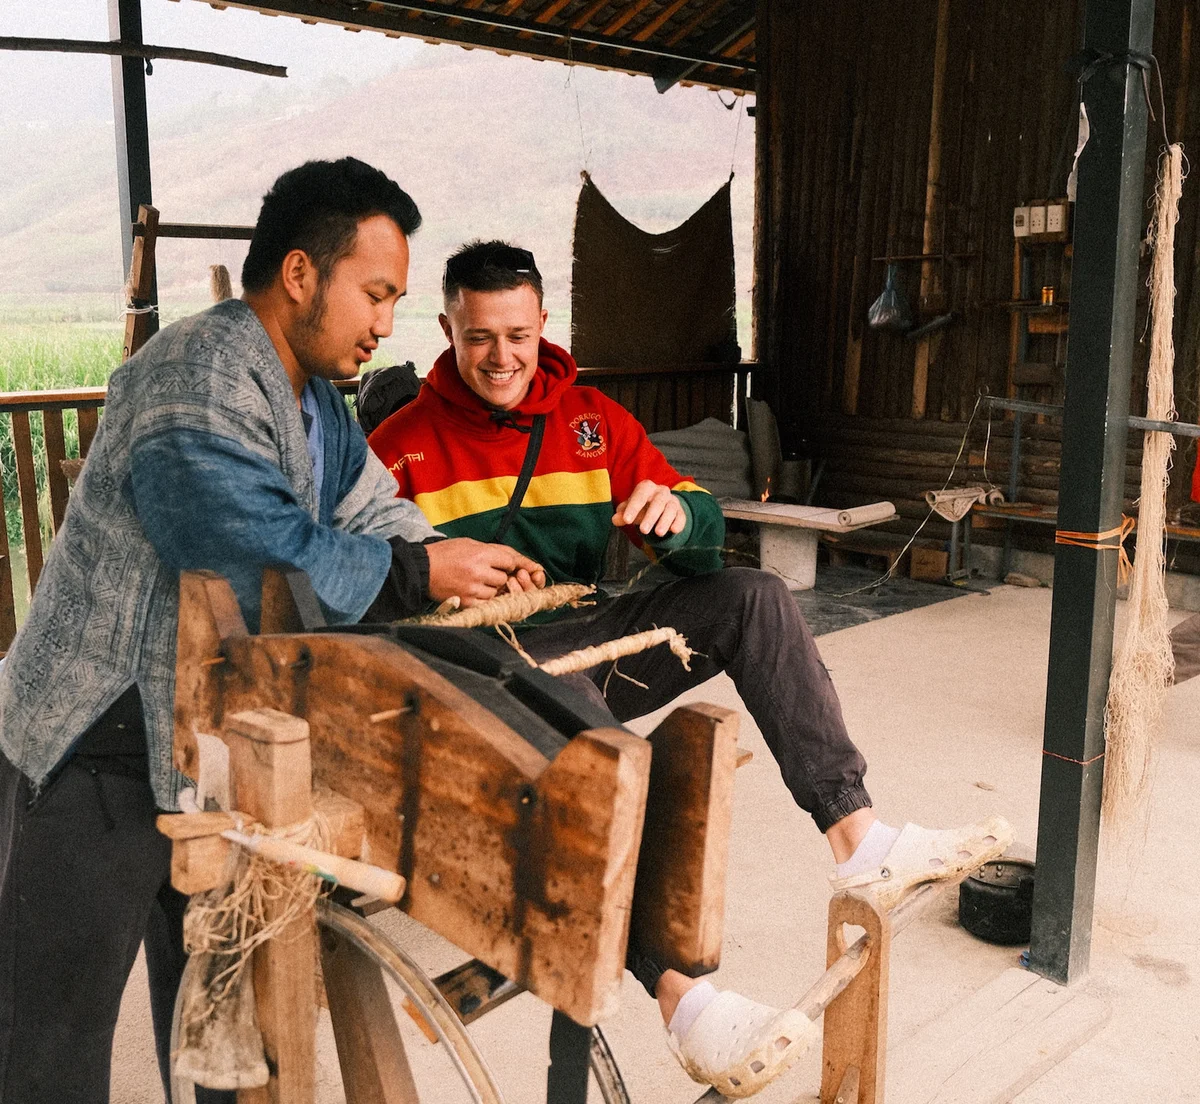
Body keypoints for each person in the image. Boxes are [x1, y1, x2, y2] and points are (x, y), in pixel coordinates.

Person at [369, 239, 1013, 1097]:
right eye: (480, 337)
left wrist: (677, 515)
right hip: (487, 670)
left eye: (517, 335)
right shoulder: (398, 444)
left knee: (752, 596)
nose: (501, 357)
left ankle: (860, 839)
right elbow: (361, 588)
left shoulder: (589, 418)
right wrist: (434, 571)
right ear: (449, 327)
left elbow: (701, 528)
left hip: (590, 629)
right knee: (596, 752)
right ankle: (688, 1004)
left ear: (542, 325)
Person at [0, 160, 544, 1104]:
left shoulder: (316, 403)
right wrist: (419, 573)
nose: (385, 323)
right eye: (375, 295)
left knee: (215, 1023)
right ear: (301, 275)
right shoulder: (192, 375)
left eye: (395, 300)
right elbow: (247, 556)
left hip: (208, 739)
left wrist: (452, 560)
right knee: (50, 1042)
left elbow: (371, 507)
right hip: (98, 738)